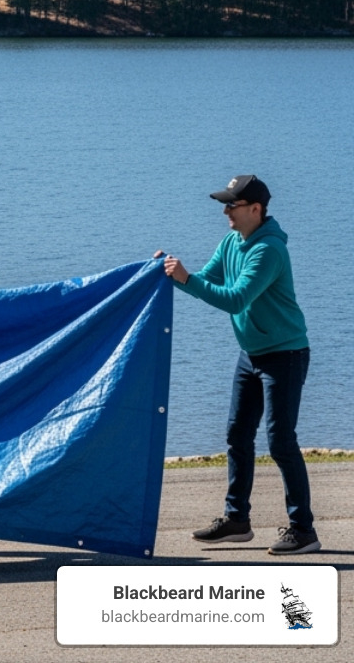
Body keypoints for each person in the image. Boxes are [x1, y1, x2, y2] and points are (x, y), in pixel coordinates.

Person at [159, 174, 319, 555]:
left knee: (280, 441)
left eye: (232, 204)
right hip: (251, 354)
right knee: (237, 435)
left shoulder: (269, 251)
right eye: (225, 204)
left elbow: (235, 299)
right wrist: (167, 273)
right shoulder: (233, 241)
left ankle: (304, 530)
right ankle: (237, 521)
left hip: (285, 355)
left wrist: (186, 279)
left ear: (255, 209)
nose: (226, 211)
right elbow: (205, 280)